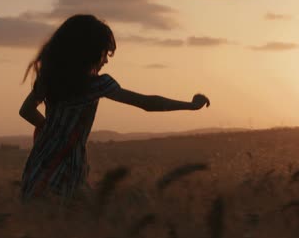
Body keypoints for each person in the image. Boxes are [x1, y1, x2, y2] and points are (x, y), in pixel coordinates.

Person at [19, 14, 210, 201]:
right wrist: (190, 106)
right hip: (66, 171)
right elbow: (146, 103)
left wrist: (51, 131)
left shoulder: (50, 80)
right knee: (121, 206)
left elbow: (26, 110)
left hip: (37, 171)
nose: (106, 60)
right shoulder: (97, 85)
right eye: (104, 53)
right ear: (90, 53)